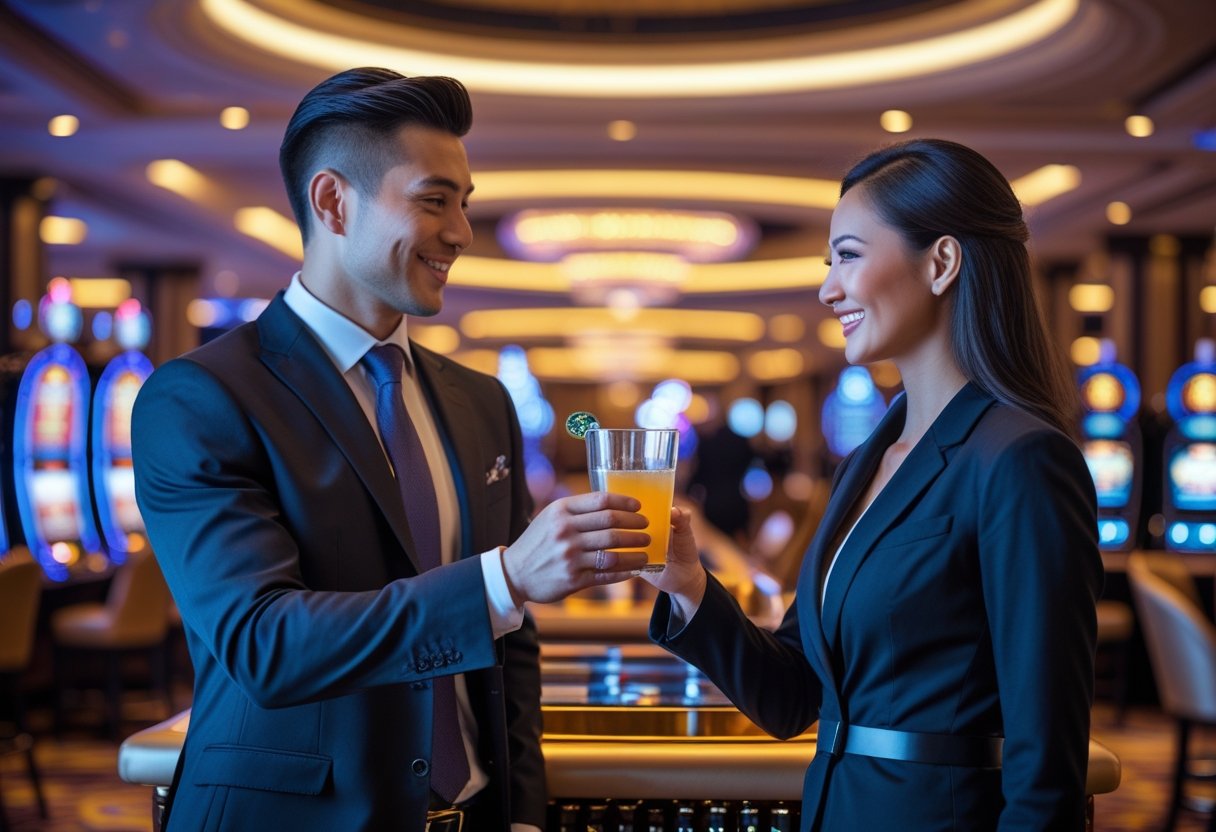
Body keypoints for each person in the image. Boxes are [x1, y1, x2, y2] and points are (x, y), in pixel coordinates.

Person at [132, 68, 649, 832]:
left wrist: (523, 812)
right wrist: (504, 578)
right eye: (434, 199)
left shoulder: (482, 402)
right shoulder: (199, 397)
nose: (462, 232)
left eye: (465, 204)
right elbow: (265, 644)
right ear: (333, 202)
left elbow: (513, 650)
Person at [643, 138, 1103, 830]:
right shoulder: (869, 457)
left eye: (848, 256)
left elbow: (1047, 771)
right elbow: (794, 695)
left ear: (942, 262)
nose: (829, 288)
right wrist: (687, 584)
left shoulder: (1021, 459)